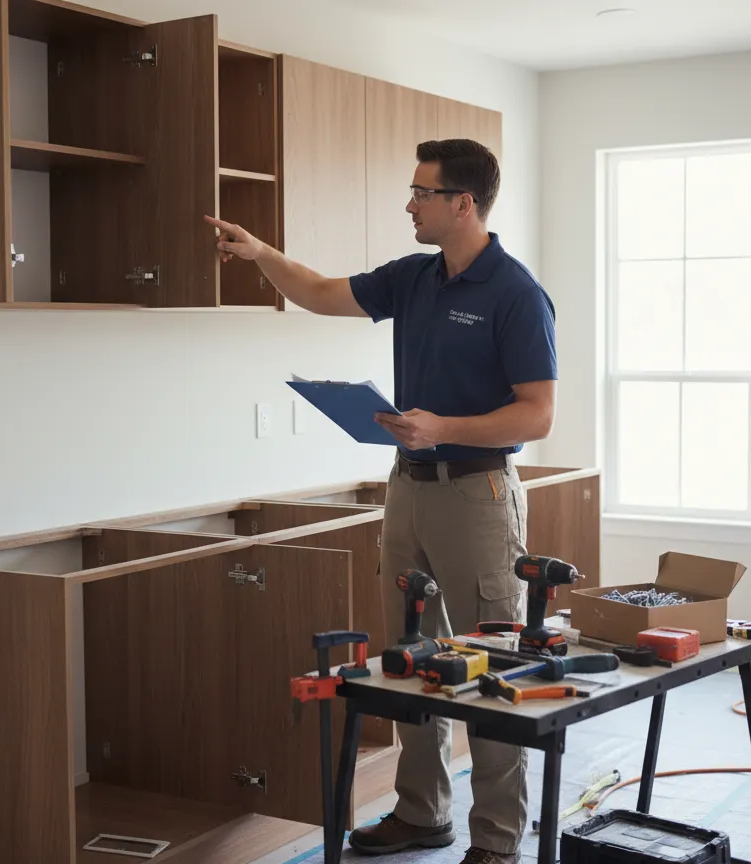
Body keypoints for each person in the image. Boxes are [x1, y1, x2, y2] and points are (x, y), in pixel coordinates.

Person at [204, 138, 556, 864]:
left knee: (493, 665)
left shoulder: (516, 293)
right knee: (410, 658)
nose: (410, 205)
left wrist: (444, 428)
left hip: (480, 494)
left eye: (421, 193)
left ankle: (497, 841)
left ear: (463, 202)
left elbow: (537, 415)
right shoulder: (414, 278)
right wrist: (261, 252)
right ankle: (422, 812)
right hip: (409, 491)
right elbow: (324, 293)